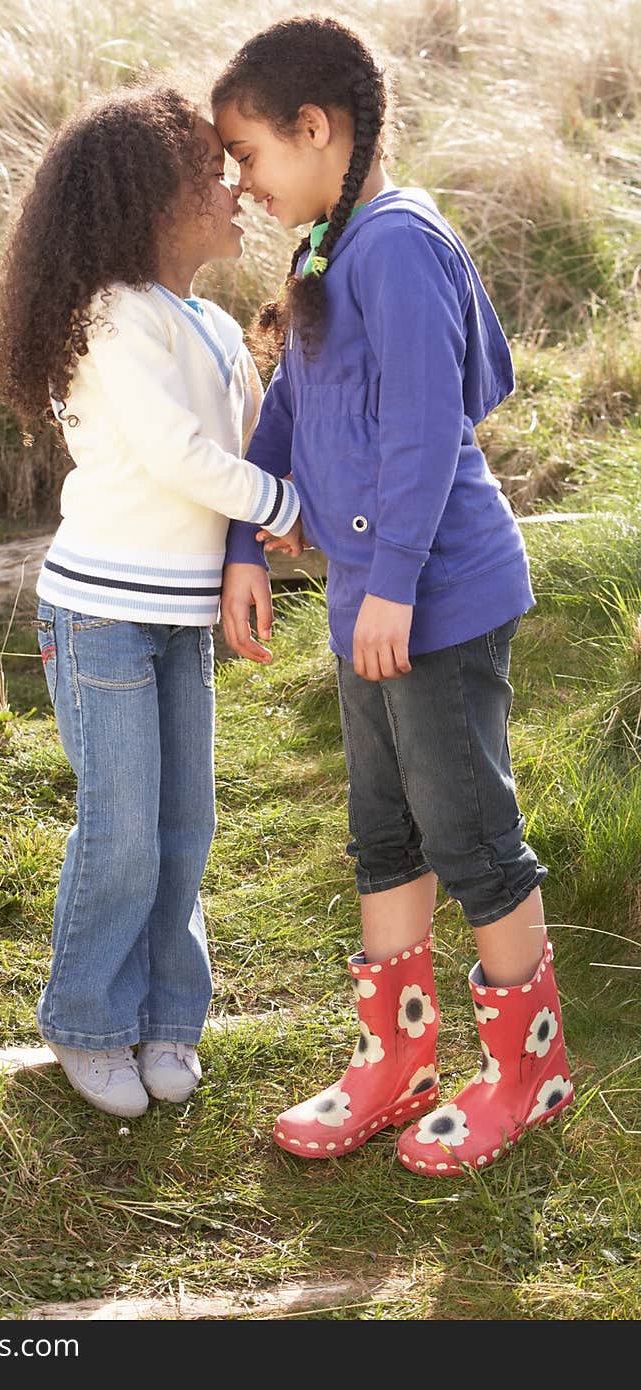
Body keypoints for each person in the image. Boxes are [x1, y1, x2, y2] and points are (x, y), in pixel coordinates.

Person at [211, 16, 573, 1175]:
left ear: (315, 129)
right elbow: (284, 411)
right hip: (376, 597)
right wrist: (245, 540)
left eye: (250, 155)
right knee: (382, 825)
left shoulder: (396, 244)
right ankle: (397, 1060)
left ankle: (529, 1068)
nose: (244, 184)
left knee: (467, 826)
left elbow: (429, 422)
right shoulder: (330, 242)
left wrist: (394, 585)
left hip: (436, 599)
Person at [0, 86, 302, 1119]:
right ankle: (86, 1019)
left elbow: (245, 445)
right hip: (102, 613)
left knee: (185, 826)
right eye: (210, 172)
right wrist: (285, 502)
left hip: (179, 617)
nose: (233, 186)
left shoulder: (207, 323)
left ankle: (170, 1016)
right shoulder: (109, 318)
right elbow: (180, 457)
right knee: (121, 826)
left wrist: (267, 514)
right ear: (148, 200)